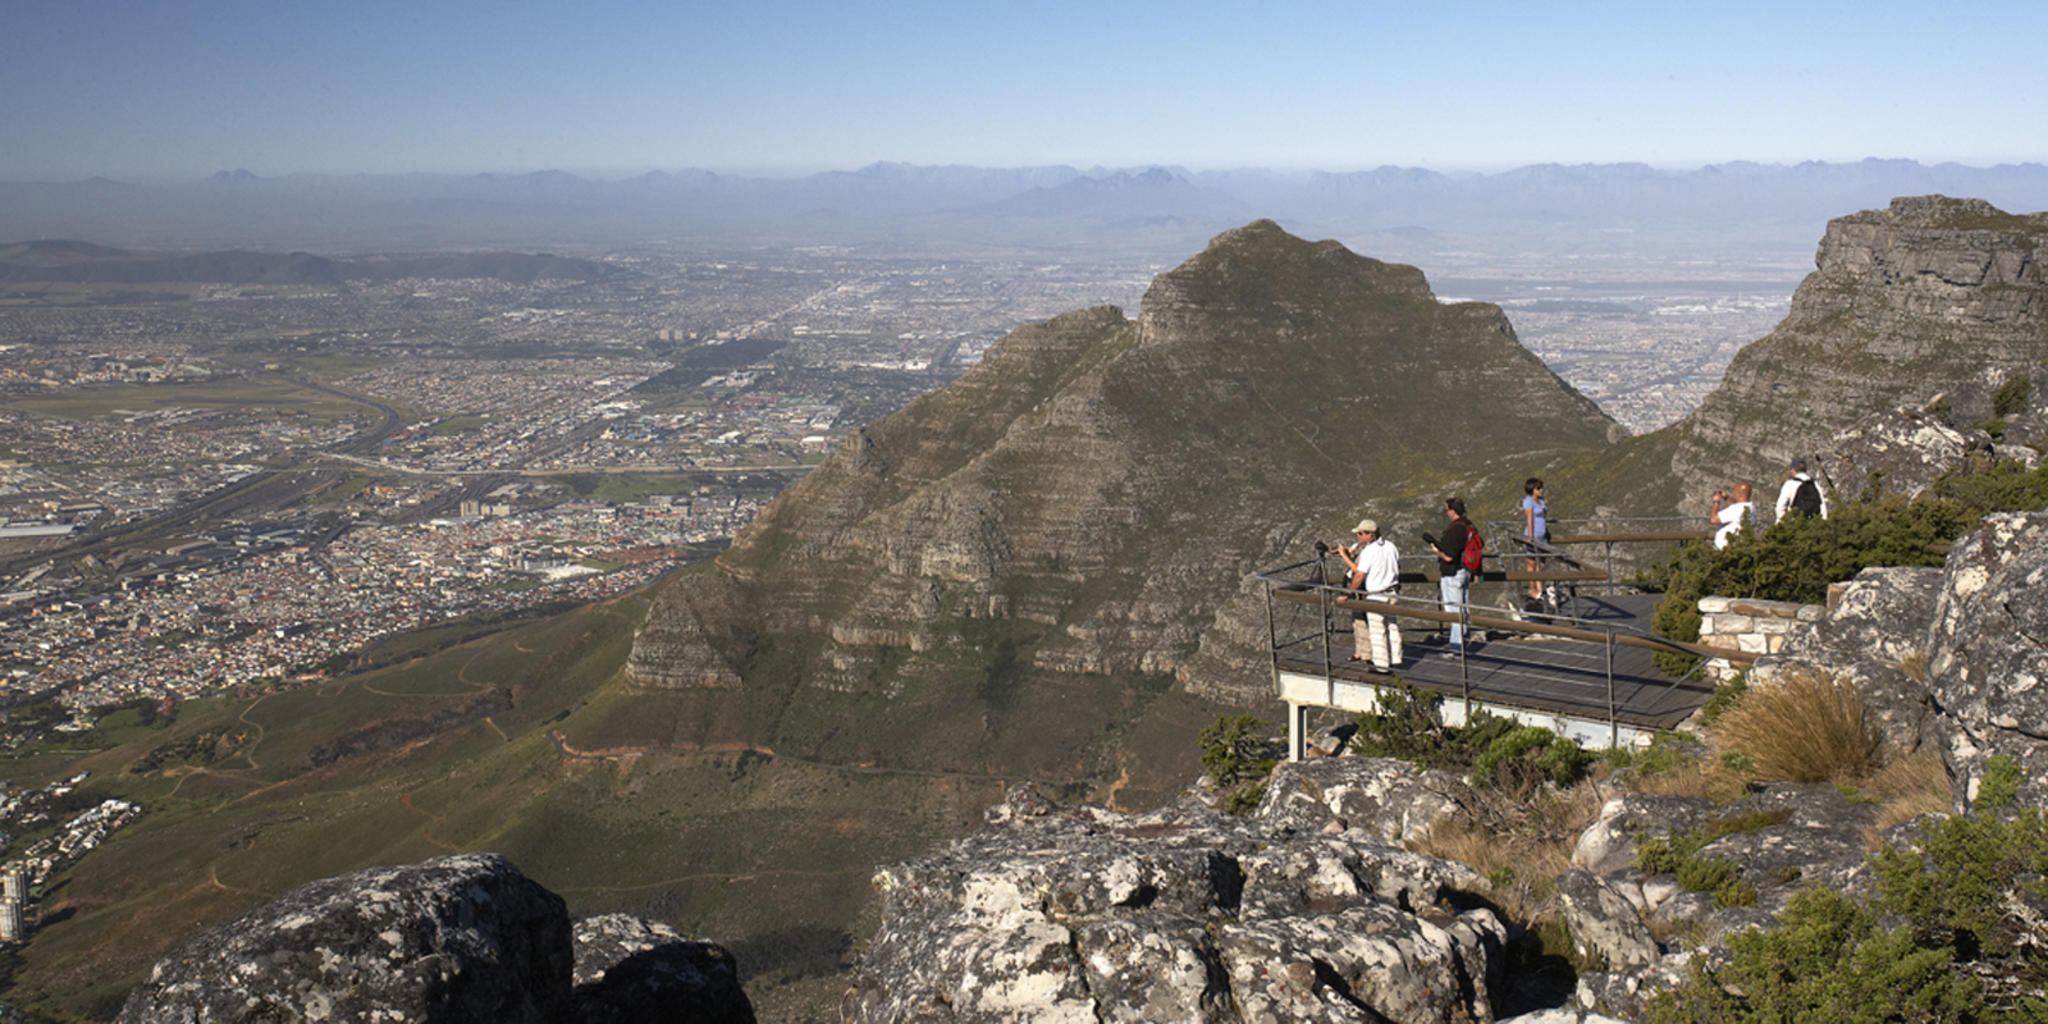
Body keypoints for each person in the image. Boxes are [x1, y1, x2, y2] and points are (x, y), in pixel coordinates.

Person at [1336, 518, 1402, 674]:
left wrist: (1349, 592)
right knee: (1392, 626)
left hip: (1376, 594)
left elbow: (1359, 575)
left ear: (1369, 535)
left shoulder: (1369, 551)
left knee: (1378, 631)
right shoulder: (1391, 546)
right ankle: (1396, 658)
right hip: (1392, 591)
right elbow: (1397, 566)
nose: (1359, 537)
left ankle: (1381, 666)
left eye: (1360, 533)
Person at [1429, 497, 1477, 649]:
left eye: (1448, 509)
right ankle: (1462, 639)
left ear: (1452, 510)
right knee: (1463, 607)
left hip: (1452, 573)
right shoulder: (1469, 525)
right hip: (1466, 570)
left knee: (1454, 611)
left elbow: (1449, 556)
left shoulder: (1455, 529)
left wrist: (1438, 552)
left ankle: (1457, 646)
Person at [1773, 456, 1829, 523]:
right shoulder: (1815, 484)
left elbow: (1780, 508)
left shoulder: (1790, 484)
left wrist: (1786, 524)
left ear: (1792, 470)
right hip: (1813, 525)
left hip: (1796, 524)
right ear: (1805, 469)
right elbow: (1823, 506)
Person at [1520, 478, 1548, 610]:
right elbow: (1529, 519)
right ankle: (1532, 589)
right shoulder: (1528, 502)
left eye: (1541, 487)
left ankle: (1540, 588)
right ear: (1532, 489)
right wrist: (1530, 537)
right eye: (1538, 488)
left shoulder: (1541, 501)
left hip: (1542, 535)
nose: (1541, 490)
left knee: (1542, 563)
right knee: (1531, 562)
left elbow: (1544, 517)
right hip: (1534, 535)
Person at [1711, 481, 1754, 550]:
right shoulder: (1750, 507)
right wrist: (1726, 498)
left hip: (1724, 549)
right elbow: (1734, 508)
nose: (1733, 493)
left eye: (1734, 491)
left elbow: (1714, 519)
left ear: (1739, 494)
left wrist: (1716, 502)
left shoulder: (1737, 509)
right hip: (1738, 547)